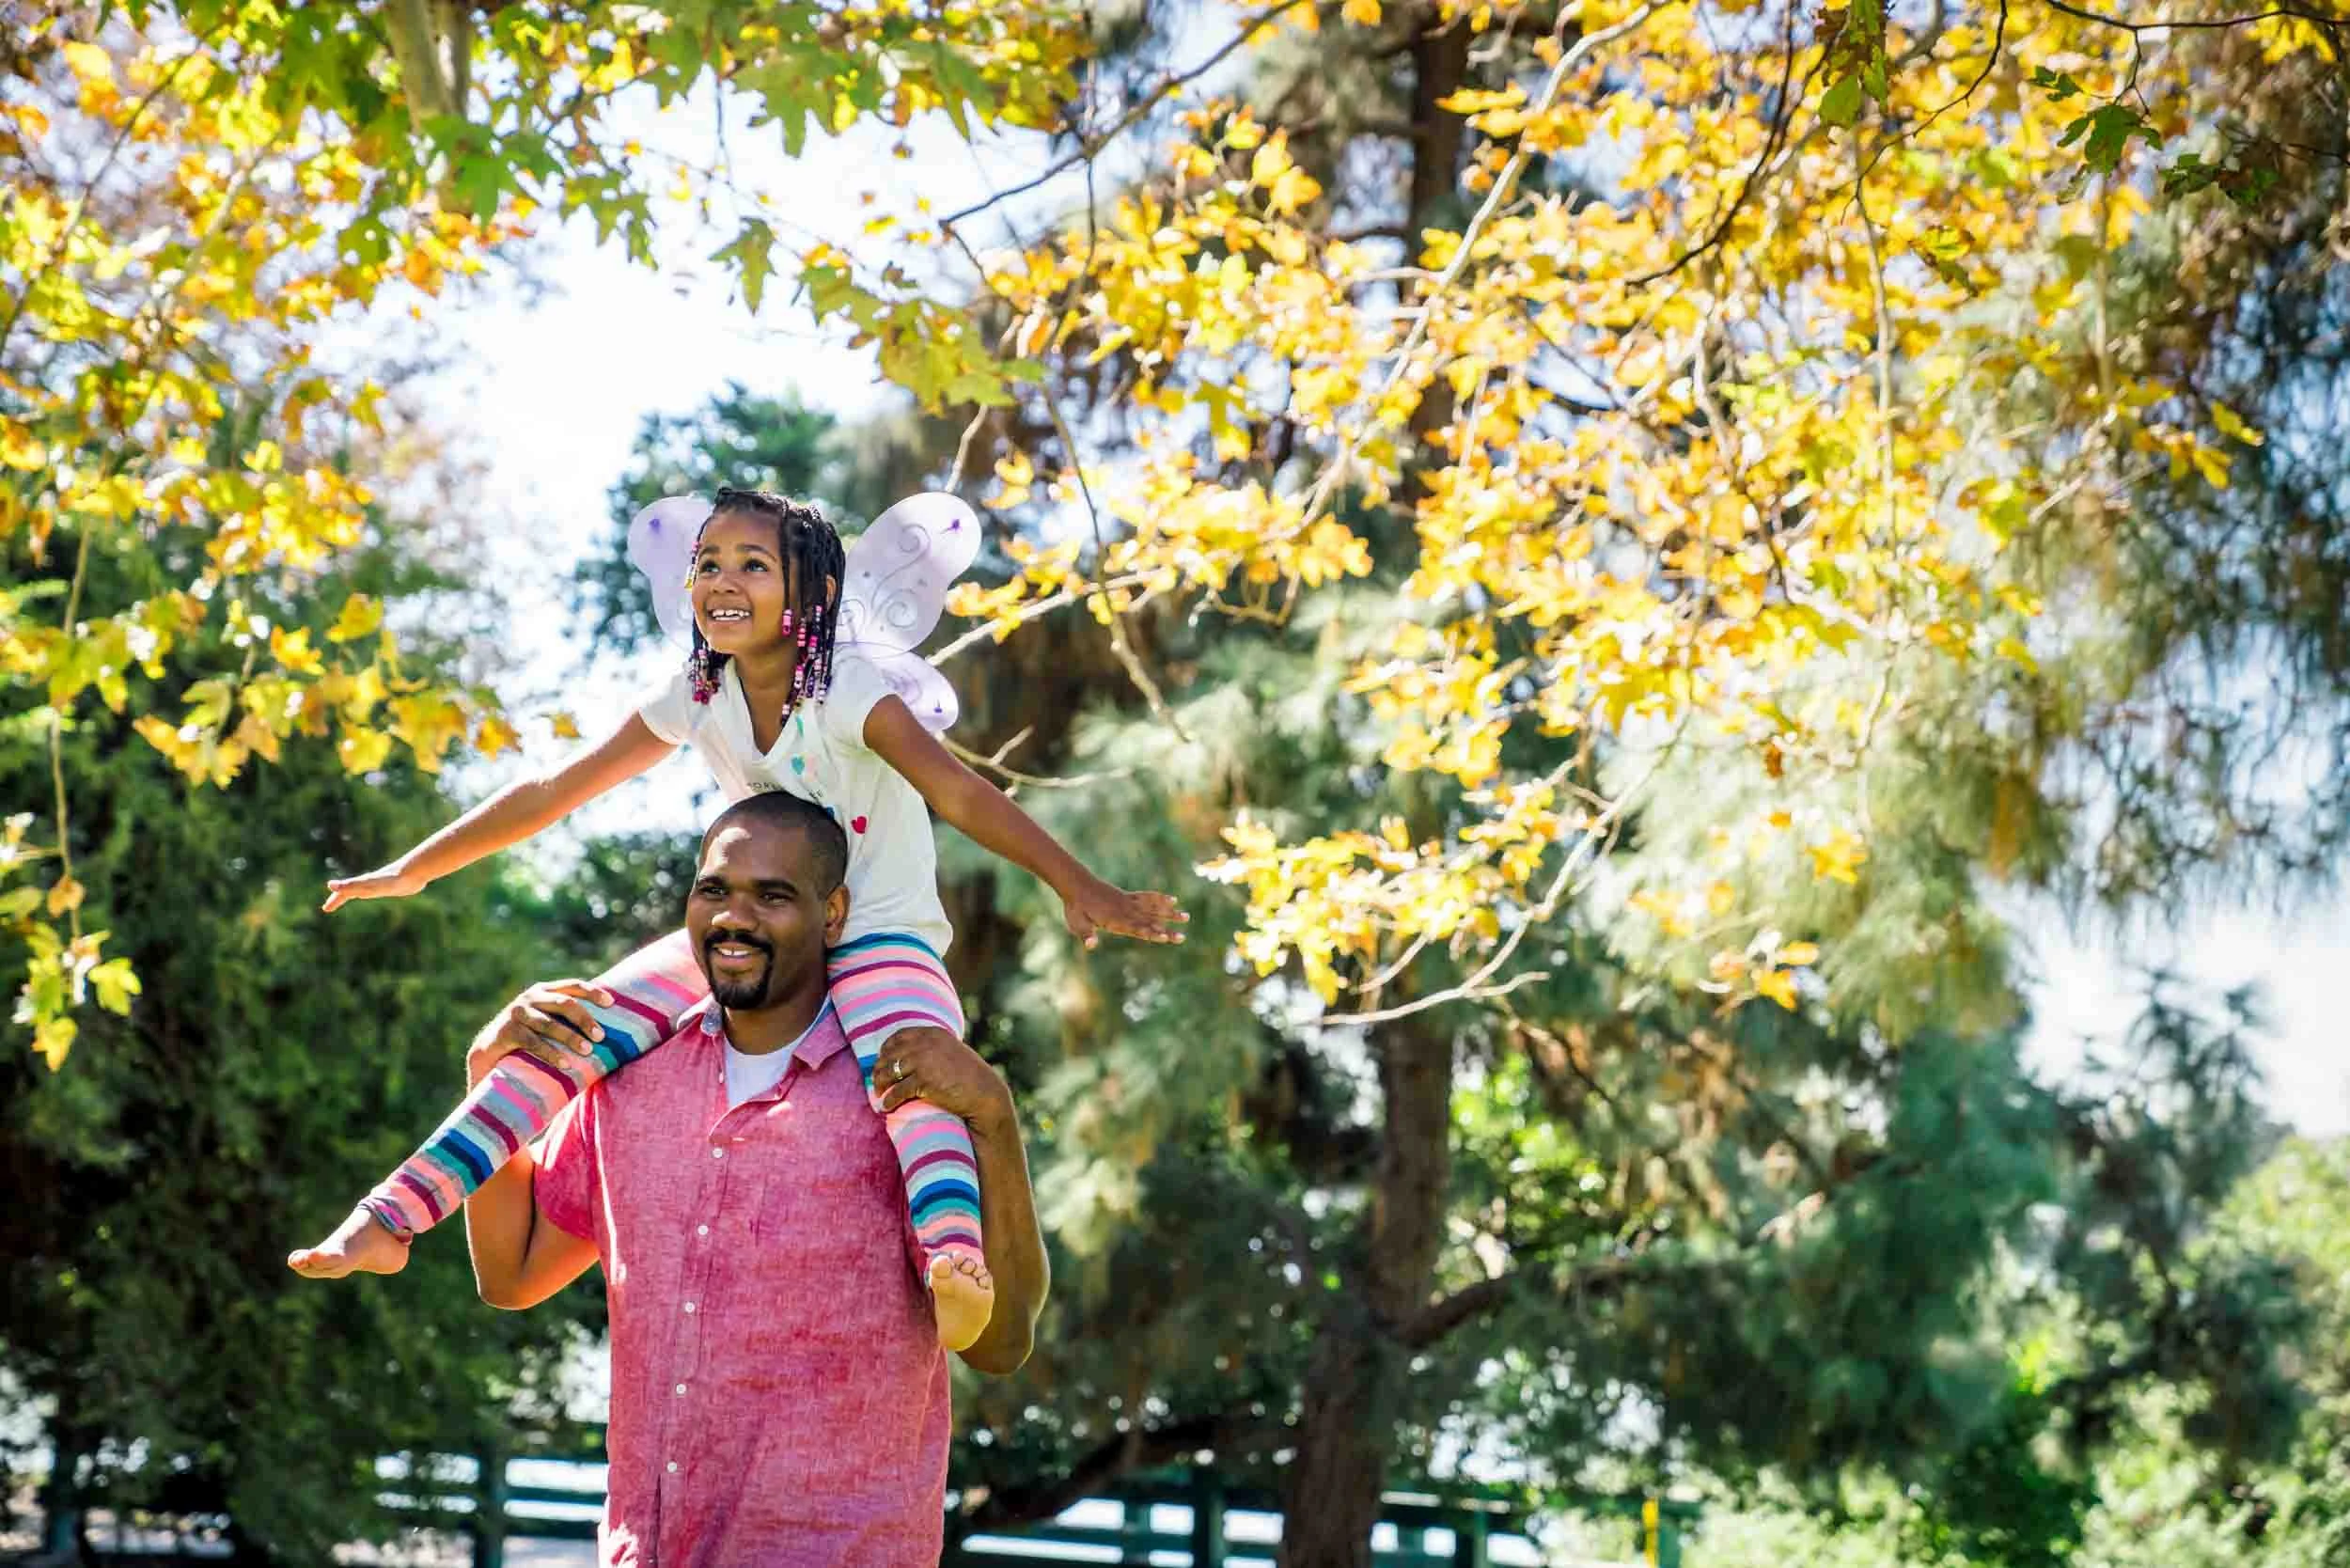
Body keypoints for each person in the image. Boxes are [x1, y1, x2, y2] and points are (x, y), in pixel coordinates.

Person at [290, 487, 1182, 1352]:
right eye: (708, 562)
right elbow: (558, 789)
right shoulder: (700, 692)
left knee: (910, 1068)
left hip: (879, 927)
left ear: (813, 593)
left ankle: (953, 1262)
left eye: (754, 565)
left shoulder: (848, 690)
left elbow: (957, 790)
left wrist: (1077, 883)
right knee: (570, 1029)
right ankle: (392, 1216)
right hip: (757, 920)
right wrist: (414, 868)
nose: (723, 579)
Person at [463, 790, 1048, 1564]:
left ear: (832, 914)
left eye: (773, 895)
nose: (735, 918)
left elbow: (1001, 1342)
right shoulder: (632, 1077)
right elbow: (514, 1273)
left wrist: (994, 1118)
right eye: (715, 891)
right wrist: (485, 1072)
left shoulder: (906, 1093)